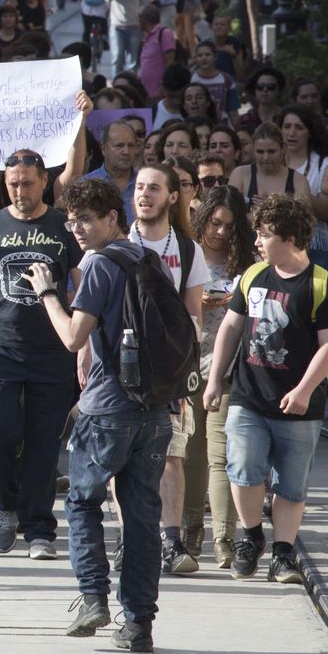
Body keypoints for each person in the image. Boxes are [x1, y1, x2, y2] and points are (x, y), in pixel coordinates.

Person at [26, 177, 169, 654]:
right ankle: (139, 624)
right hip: (153, 410)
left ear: (113, 218)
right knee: (143, 516)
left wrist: (48, 293)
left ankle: (93, 598)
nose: (78, 229)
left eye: (87, 219)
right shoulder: (149, 259)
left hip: (108, 409)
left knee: (83, 503)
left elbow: (73, 336)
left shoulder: (103, 266)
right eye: (72, 220)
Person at [204, 195, 328, 585]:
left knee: (291, 484)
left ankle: (283, 553)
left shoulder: (319, 284)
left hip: (299, 405)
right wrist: (216, 379)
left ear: (289, 238)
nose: (258, 242)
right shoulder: (252, 276)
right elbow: (231, 328)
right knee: (244, 469)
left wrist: (303, 390)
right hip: (249, 396)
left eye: (265, 235)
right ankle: (251, 535)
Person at [0, 150, 83, 559]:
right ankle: (6, 508)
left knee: (45, 442)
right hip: (1, 349)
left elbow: (82, 286)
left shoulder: (64, 227)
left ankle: (39, 527)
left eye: (27, 182)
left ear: (44, 181)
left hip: (52, 353)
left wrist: (84, 346)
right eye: (13, 183)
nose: (20, 190)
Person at [125, 163, 208, 574]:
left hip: (170, 372)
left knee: (172, 455)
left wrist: (182, 372)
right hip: (123, 370)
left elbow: (195, 317)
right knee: (121, 458)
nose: (144, 194)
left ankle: (171, 542)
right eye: (139, 187)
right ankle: (129, 541)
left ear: (172, 197)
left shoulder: (189, 250)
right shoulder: (116, 243)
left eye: (154, 188)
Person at [191, 186, 254, 570]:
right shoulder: (186, 254)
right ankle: (190, 528)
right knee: (189, 455)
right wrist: (192, 300)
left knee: (222, 456)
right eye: (214, 223)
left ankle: (223, 539)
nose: (220, 232)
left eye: (229, 226)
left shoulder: (245, 265)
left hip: (228, 367)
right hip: (187, 364)